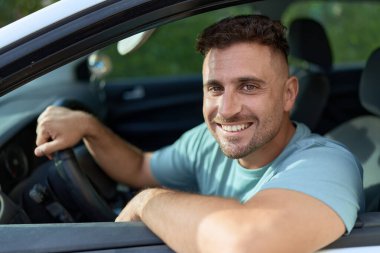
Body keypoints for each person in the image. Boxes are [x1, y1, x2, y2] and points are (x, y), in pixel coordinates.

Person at [35, 15, 364, 253]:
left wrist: (147, 201)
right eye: (215, 88)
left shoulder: (327, 164)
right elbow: (138, 168)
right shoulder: (208, 141)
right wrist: (89, 127)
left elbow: (244, 244)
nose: (227, 109)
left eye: (248, 86)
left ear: (289, 94)